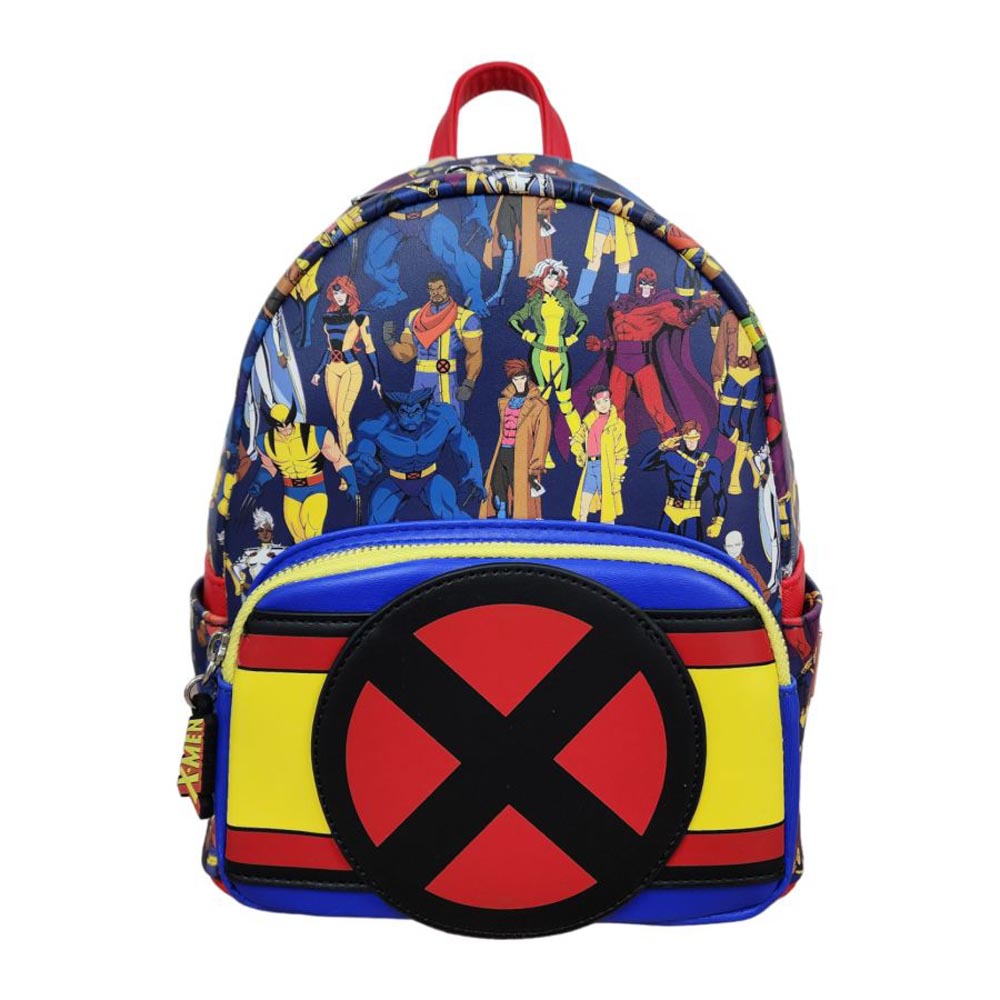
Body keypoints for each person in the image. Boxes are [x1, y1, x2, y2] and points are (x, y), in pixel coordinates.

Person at [349, 388, 486, 524]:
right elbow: (364, 447)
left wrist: (475, 470)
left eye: (415, 411)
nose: (410, 418)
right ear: (396, 411)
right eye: (404, 412)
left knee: (448, 514)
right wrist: (364, 459)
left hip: (429, 477)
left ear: (424, 409)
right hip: (396, 480)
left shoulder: (442, 418)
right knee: (376, 521)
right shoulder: (379, 428)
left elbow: (463, 439)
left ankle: (479, 534)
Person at [247, 401, 357, 542]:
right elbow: (269, 467)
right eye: (279, 424)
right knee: (298, 539)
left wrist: (351, 482)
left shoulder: (316, 434)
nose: (285, 427)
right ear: (272, 423)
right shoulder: (265, 442)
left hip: (315, 490)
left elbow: (339, 459)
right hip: (291, 494)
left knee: (312, 533)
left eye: (287, 422)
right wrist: (258, 483)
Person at [383, 274, 482, 422]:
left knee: (450, 422)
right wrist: (390, 341)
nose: (436, 292)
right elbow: (407, 354)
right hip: (420, 381)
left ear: (447, 288)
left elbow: (474, 353)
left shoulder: (464, 318)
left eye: (440, 288)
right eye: (431, 289)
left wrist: (469, 383)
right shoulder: (414, 317)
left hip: (446, 381)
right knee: (417, 423)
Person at [508, 259, 588, 438]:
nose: (552, 281)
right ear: (540, 278)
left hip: (561, 352)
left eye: (555, 278)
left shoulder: (564, 298)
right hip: (540, 352)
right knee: (540, 400)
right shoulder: (535, 300)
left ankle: (581, 442)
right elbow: (514, 320)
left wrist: (573, 337)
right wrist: (527, 335)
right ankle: (537, 445)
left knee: (565, 400)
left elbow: (582, 319)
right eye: (549, 277)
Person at [310, 276, 382, 459]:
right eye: (336, 293)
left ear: (350, 293)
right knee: (338, 419)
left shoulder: (360, 317)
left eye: (342, 291)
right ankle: (348, 461)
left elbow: (370, 347)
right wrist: (318, 372)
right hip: (331, 370)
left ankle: (347, 462)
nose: (339, 296)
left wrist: (377, 376)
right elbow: (329, 349)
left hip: (351, 370)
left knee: (342, 418)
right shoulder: (328, 317)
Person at [480, 359, 551, 520]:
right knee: (497, 486)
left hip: (522, 454)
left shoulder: (539, 406)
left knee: (521, 494)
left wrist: (536, 465)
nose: (519, 382)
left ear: (527, 378)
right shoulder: (505, 401)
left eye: (522, 378)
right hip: (503, 450)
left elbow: (542, 437)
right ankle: (501, 520)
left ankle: (519, 526)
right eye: (516, 379)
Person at [639, 419, 726, 540]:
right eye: (688, 437)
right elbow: (644, 465)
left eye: (694, 437)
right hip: (669, 511)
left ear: (699, 436)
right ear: (682, 437)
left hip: (691, 514)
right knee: (662, 548)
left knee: (691, 550)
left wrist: (718, 522)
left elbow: (719, 494)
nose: (691, 442)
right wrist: (663, 446)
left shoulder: (711, 463)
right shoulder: (671, 456)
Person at [570, 384, 628, 524]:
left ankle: (609, 532)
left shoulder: (617, 425)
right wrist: (580, 453)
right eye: (599, 402)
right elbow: (576, 440)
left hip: (606, 467)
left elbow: (621, 453)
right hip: (590, 465)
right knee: (583, 502)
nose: (603, 405)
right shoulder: (589, 421)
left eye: (606, 401)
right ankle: (580, 529)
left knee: (608, 505)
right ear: (594, 403)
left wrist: (617, 476)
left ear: (610, 400)